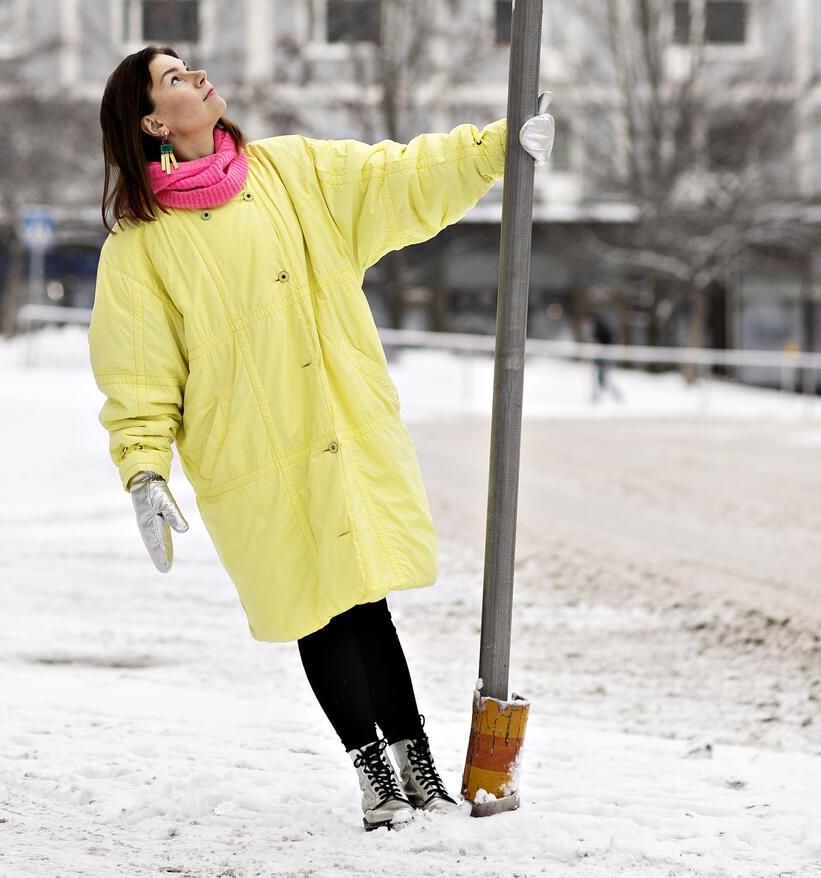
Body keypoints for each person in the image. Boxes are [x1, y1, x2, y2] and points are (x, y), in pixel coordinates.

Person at [88, 46, 555, 832]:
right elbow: (138, 374)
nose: (195, 77)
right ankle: (374, 775)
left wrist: (494, 148)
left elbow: (397, 177)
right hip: (250, 454)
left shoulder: (291, 173)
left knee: (365, 598)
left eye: (188, 67)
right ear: (152, 123)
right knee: (316, 605)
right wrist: (144, 471)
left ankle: (418, 768)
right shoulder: (140, 247)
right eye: (172, 79)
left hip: (335, 424)